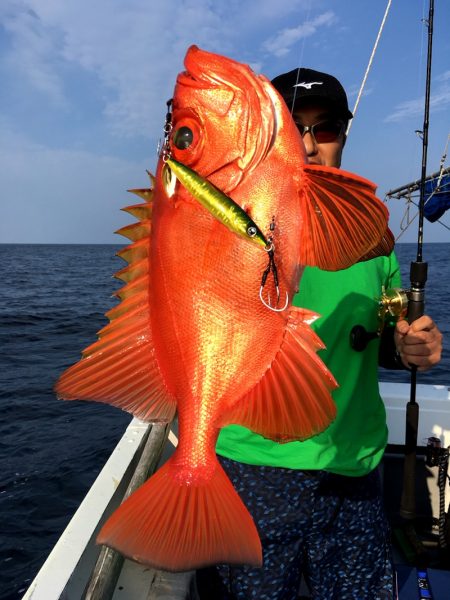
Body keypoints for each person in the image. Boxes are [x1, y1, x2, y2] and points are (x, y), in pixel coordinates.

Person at [196, 68, 443, 600]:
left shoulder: (372, 236)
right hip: (254, 465)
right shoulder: (234, 225)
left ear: (343, 135)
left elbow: (380, 343)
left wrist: (407, 349)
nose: (309, 145)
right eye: (292, 128)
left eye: (325, 128)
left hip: (355, 469)